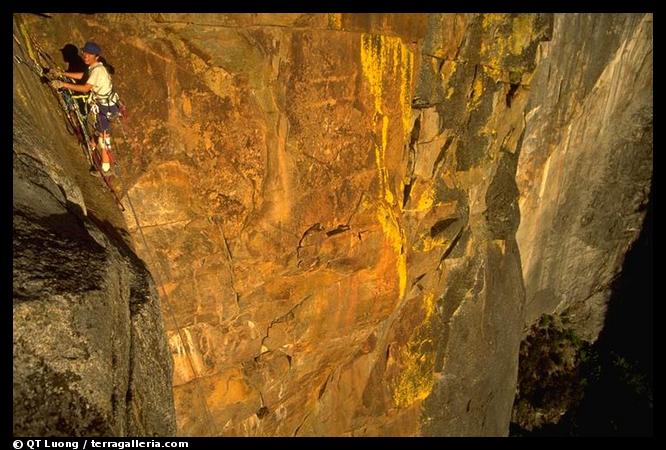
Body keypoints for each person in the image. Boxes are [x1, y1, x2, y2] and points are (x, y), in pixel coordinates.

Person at [51, 41, 119, 173]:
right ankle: (92, 147)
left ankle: (105, 168)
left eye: (89, 54)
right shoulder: (94, 66)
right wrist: (62, 74)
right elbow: (83, 76)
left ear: (96, 56)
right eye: (85, 53)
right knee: (99, 132)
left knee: (104, 139)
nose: (86, 56)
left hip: (107, 107)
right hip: (105, 105)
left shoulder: (98, 70)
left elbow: (85, 88)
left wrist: (63, 84)